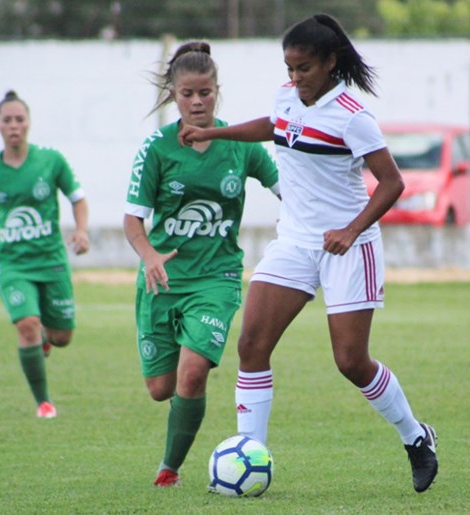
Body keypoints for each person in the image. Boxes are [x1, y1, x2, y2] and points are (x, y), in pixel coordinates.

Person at [179, 14, 439, 493]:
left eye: (303, 69)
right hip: (295, 241)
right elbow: (274, 127)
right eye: (289, 67)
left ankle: (416, 436)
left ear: (329, 63)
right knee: (252, 344)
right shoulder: (288, 97)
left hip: (349, 246)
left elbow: (393, 182)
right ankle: (249, 457)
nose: (295, 78)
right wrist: (214, 133)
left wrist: (351, 228)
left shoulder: (351, 116)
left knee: (350, 362)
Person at [123, 42, 280, 488]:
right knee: (161, 390)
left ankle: (168, 469)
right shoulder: (156, 149)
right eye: (188, 93)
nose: (197, 102)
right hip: (163, 278)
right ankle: (176, 437)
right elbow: (132, 218)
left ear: (217, 91)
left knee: (192, 374)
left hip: (217, 277)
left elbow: (284, 185)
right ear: (174, 94)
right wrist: (150, 255)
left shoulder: (240, 146)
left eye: (205, 93)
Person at [0, 90, 90, 419]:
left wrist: (81, 231)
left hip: (51, 260)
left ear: (29, 123)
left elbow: (78, 199)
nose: (14, 125)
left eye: (19, 119)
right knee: (26, 324)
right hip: (10, 264)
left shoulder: (51, 161)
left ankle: (46, 339)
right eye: (7, 120)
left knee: (62, 337)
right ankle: (44, 402)